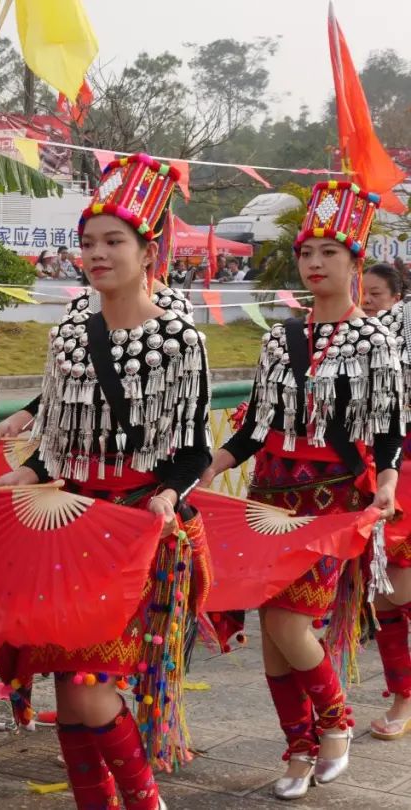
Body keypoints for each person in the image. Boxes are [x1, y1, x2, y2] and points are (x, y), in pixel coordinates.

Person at [0, 154, 209, 810]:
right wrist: (21, 476)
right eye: (88, 242)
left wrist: (169, 492)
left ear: (148, 251)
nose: (97, 253)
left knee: (88, 687)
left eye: (114, 241)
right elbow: (56, 446)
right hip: (68, 523)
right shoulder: (69, 337)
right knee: (68, 692)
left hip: (133, 528)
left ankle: (144, 802)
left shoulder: (178, 339)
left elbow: (193, 447)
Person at [201, 181, 400, 799]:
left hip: (334, 499)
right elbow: (257, 425)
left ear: (354, 262)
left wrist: (387, 479)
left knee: (290, 625)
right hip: (270, 496)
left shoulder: (376, 340)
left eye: (328, 253)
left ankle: (334, 722)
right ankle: (298, 748)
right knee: (273, 635)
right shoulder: (278, 339)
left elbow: (390, 428)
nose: (314, 263)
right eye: (306, 253)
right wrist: (207, 468)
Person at [364, 261, 411, 740]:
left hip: (402, 468)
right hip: (379, 470)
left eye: (376, 292)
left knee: (394, 591)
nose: (369, 299)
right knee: (387, 594)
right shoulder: (350, 330)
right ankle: (403, 694)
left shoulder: (398, 326)